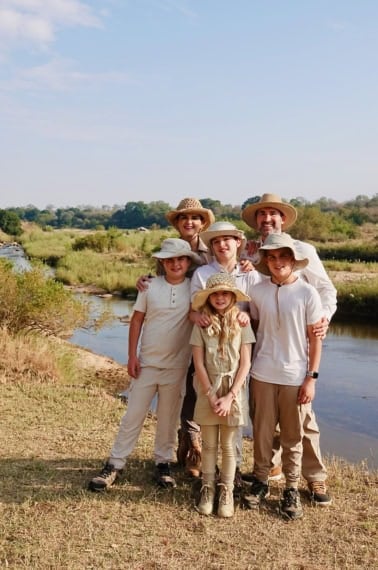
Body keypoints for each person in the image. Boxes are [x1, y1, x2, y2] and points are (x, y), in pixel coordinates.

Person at [241, 194, 336, 504]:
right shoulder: (251, 250)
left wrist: (323, 320)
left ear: (283, 218)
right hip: (266, 356)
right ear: (256, 221)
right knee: (264, 419)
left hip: (300, 347)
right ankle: (265, 471)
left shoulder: (303, 250)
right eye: (262, 214)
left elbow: (325, 289)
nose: (267, 219)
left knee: (303, 422)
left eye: (273, 214)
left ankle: (314, 478)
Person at [88, 238, 200, 492]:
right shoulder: (149, 286)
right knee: (133, 415)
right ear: (162, 262)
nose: (176, 264)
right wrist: (132, 356)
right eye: (170, 259)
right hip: (147, 363)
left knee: (168, 419)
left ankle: (163, 463)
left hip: (177, 366)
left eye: (181, 259)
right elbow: (137, 320)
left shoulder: (194, 288)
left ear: (188, 261)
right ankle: (115, 463)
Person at [135, 198, 215, 478]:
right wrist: (143, 281)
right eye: (184, 218)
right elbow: (160, 284)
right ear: (178, 223)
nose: (189, 222)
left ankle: (193, 446)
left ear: (203, 222)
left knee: (199, 387)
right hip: (172, 334)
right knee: (180, 390)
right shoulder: (169, 250)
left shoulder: (211, 252)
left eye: (195, 218)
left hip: (202, 327)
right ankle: (183, 446)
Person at [190, 221, 262, 486]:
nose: (222, 245)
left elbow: (256, 314)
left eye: (228, 240)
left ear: (238, 242)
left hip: (240, 350)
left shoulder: (250, 274)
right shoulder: (202, 273)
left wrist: (242, 318)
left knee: (237, 411)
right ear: (211, 246)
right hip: (209, 347)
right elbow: (193, 311)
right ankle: (199, 466)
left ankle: (234, 476)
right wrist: (203, 320)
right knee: (205, 408)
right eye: (217, 241)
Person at [190, 273, 254, 517]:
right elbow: (198, 363)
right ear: (208, 297)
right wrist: (210, 394)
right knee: (209, 445)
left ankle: (226, 491)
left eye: (225, 294)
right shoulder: (202, 325)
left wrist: (230, 397)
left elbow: (246, 363)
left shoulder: (241, 323)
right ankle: (208, 489)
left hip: (233, 391)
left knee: (228, 446)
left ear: (232, 297)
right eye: (215, 294)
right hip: (208, 389)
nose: (220, 298)